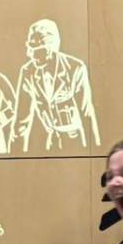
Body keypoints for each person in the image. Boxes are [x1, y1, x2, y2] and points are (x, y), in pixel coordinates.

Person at [16, 19, 101, 151]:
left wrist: (95, 152)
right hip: (50, 142)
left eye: (35, 49)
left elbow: (86, 113)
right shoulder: (28, 71)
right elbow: (21, 119)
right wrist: (14, 155)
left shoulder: (75, 68)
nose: (29, 54)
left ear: (50, 48)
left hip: (75, 143)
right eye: (29, 47)